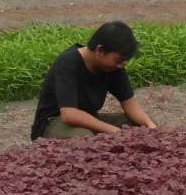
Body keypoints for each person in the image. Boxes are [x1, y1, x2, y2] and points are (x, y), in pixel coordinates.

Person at [30, 20, 159, 140]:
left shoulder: (113, 67)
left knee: (142, 126)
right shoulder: (67, 63)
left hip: (88, 119)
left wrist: (151, 126)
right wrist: (115, 132)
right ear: (99, 50)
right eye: (118, 60)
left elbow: (129, 103)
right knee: (84, 137)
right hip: (53, 122)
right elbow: (69, 115)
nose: (120, 65)